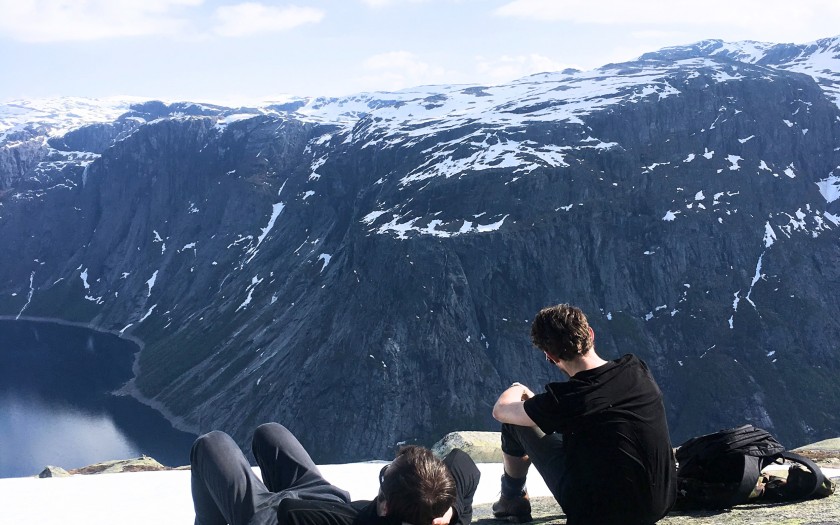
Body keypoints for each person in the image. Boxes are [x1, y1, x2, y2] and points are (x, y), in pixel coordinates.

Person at [491, 304, 676, 525]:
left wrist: (518, 388)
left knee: (514, 423)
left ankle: (512, 498)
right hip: (659, 503)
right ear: (590, 334)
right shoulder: (637, 369)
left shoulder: (565, 399)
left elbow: (501, 411)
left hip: (598, 515)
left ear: (550, 356)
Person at [190, 422, 481, 525]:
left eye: (384, 475)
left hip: (278, 517)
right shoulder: (435, 511)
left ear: (385, 507)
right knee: (269, 433)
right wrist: (451, 510)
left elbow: (290, 510)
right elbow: (463, 461)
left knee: (210, 444)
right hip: (325, 503)